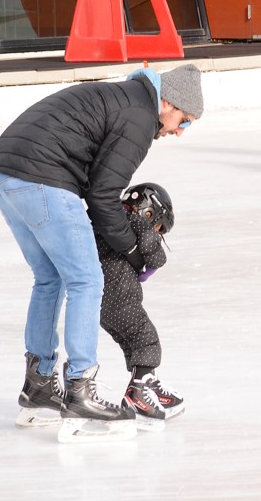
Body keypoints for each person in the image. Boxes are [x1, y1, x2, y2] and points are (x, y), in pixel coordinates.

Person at [0, 64, 204, 442]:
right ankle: (81, 390)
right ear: (167, 103)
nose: (179, 131)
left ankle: (38, 386)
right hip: (42, 175)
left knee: (49, 278)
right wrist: (135, 250)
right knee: (87, 279)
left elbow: (98, 186)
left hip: (4, 171)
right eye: (182, 120)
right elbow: (104, 198)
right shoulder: (139, 116)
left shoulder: (127, 100)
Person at [99, 182, 185, 431]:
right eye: (158, 228)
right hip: (120, 297)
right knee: (146, 339)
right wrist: (155, 262)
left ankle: (147, 383)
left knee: (131, 342)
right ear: (149, 212)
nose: (157, 234)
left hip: (102, 303)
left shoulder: (110, 218)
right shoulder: (133, 220)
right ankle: (138, 394)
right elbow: (154, 251)